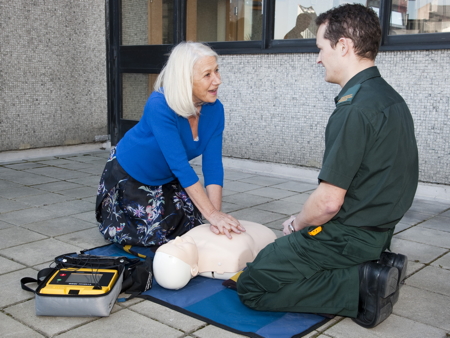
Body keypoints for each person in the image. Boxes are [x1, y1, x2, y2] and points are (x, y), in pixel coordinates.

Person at [237, 4, 418, 329]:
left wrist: (299, 224)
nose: (318, 58)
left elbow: (328, 203)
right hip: (380, 230)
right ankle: (375, 266)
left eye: (321, 48)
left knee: (253, 281)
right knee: (278, 259)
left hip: (348, 235)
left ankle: (361, 284)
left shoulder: (354, 109)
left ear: (344, 46)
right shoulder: (390, 98)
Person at [96, 42, 244, 248]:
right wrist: (211, 214)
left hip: (168, 177)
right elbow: (180, 166)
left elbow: (213, 166)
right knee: (157, 236)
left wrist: (214, 215)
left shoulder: (215, 109)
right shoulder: (160, 104)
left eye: (217, 71)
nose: (217, 80)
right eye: (207, 74)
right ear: (185, 79)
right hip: (131, 175)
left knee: (192, 225)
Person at [153, 221, 277, 289]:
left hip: (245, 227)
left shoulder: (188, 240)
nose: (178, 239)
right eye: (179, 246)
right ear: (194, 269)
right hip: (261, 233)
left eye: (172, 242)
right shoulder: (226, 259)